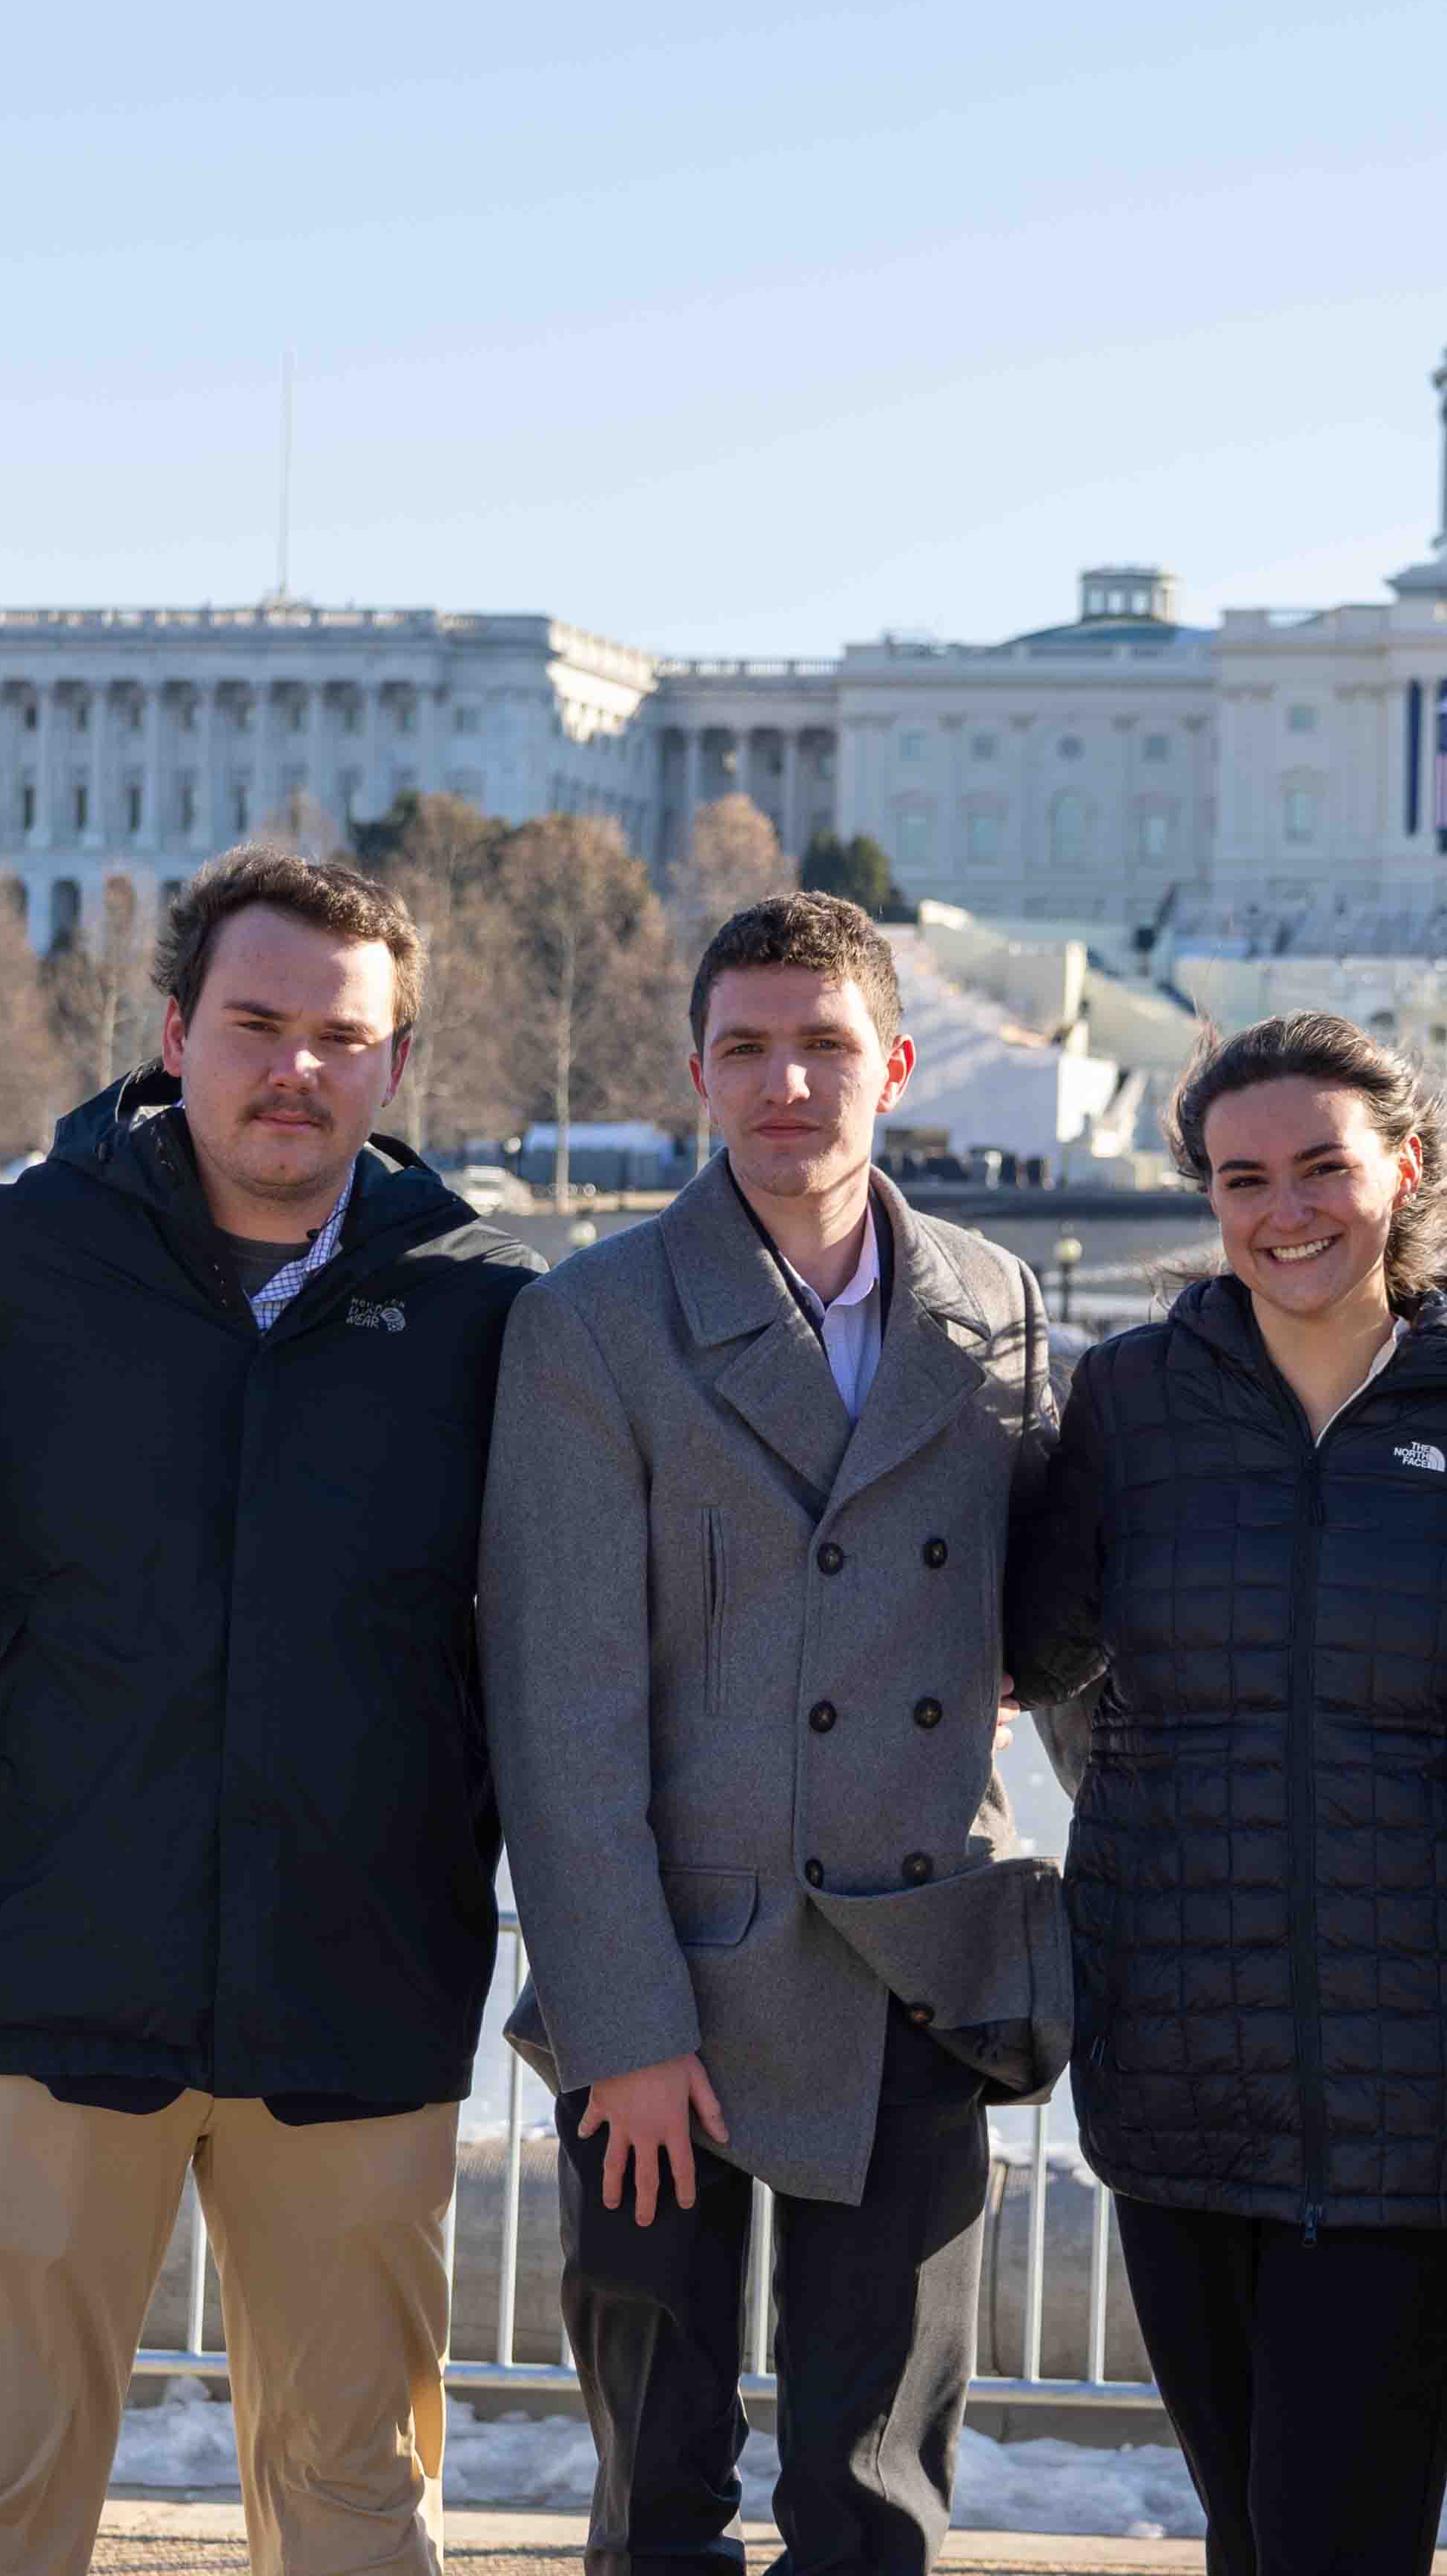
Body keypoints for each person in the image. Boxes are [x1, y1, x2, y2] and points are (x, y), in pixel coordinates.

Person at [0, 848, 540, 2576]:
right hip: (49, 1968)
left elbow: (600, 1627)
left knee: (353, 2504)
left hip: (358, 1992)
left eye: (344, 1034)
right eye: (256, 1022)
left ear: (396, 1062)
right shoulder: (4, 1266)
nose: (296, 1067)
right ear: (174, 1031)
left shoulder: (488, 1310)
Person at [484, 890, 1064, 2576]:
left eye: (822, 1047)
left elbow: (1042, 1622)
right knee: (659, 2501)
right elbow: (561, 1704)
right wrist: (621, 2027)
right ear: (697, 1076)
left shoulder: (995, 1296)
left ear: (892, 1063)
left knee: (876, 2502)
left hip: (914, 1968)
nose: (786, 1084)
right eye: (747, 1049)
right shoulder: (592, 1320)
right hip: (671, 1985)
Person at [1004, 1011, 1447, 2576]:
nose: (1288, 1210)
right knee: (1253, 2532)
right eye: (1243, 1176)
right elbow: (1039, 1652)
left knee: (1342, 2536)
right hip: (1179, 2053)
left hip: (1421, 2073)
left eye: (1325, 1166)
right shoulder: (1130, 1401)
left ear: (1405, 1168)